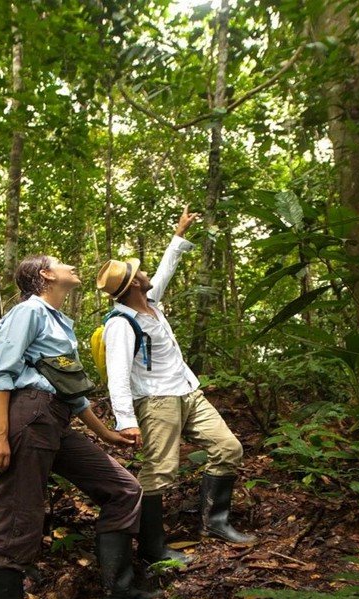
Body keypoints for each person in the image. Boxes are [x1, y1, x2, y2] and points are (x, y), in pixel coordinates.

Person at [0, 254, 158, 599]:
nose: (72, 267)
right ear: (44, 275)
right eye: (61, 263)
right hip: (29, 417)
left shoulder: (60, 321)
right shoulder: (28, 312)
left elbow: (72, 394)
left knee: (123, 489)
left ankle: (120, 587)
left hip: (55, 419)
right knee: (18, 523)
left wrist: (108, 434)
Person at [96, 207, 257, 567]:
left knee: (228, 447)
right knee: (160, 472)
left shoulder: (151, 303)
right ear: (135, 283)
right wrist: (126, 420)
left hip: (188, 391)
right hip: (156, 401)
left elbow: (165, 269)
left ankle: (215, 523)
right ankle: (153, 548)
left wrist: (179, 235)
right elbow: (117, 375)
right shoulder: (121, 324)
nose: (147, 272)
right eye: (141, 271)